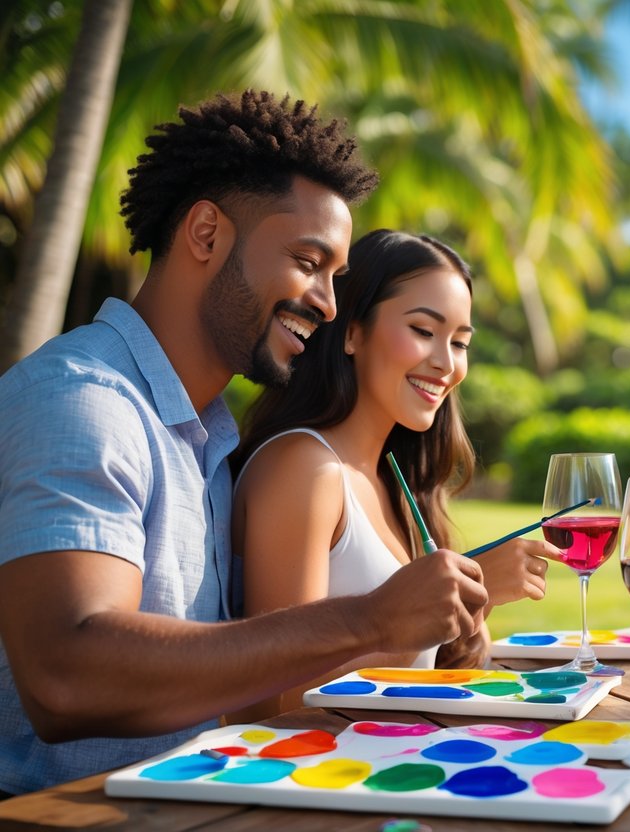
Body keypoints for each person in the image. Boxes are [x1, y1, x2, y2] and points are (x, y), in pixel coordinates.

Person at [0, 91, 489, 797]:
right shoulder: (84, 401)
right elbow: (66, 678)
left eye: (335, 276)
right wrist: (369, 619)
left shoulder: (203, 437)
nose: (327, 301)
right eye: (307, 260)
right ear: (206, 234)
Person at [228, 229, 556, 720]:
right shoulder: (305, 468)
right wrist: (437, 612)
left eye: (460, 342)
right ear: (353, 332)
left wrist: (472, 605)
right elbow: (274, 703)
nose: (447, 363)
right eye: (424, 331)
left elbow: (429, 674)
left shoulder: (397, 480)